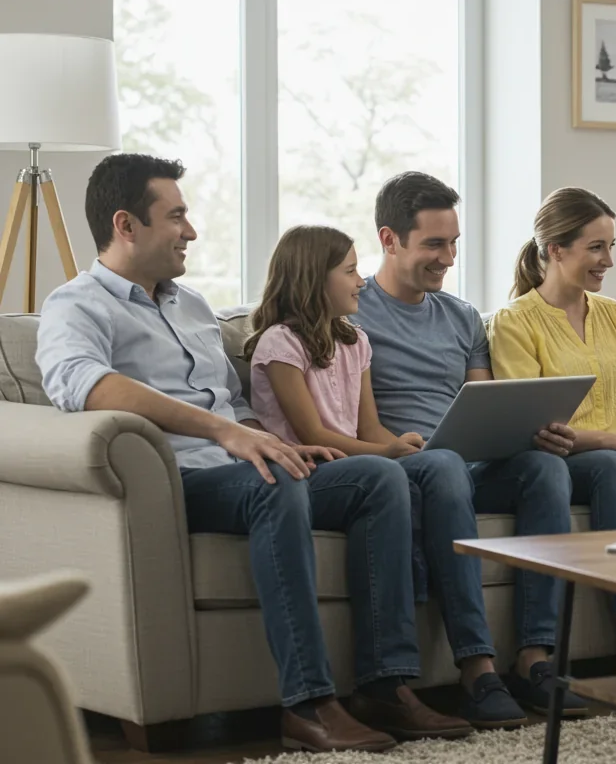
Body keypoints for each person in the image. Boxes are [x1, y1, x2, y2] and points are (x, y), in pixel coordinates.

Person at [35, 154, 467, 753]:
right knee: (274, 484)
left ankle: (385, 685)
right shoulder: (75, 305)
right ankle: (309, 702)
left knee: (377, 478)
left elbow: (238, 403)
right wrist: (223, 433)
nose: (191, 231)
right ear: (126, 225)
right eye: (177, 216)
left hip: (249, 462)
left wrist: (284, 441)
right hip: (177, 477)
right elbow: (84, 384)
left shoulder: (192, 306)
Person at [244, 223, 545, 728]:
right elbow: (314, 432)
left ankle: (469, 669)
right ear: (312, 280)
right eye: (348, 271)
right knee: (399, 474)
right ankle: (396, 683)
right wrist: (388, 451)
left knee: (436, 463)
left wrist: (398, 445)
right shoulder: (279, 344)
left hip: (359, 464)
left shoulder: (355, 340)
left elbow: (367, 425)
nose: (359, 281)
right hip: (312, 469)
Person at [348, 172, 587, 717]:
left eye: (454, 242)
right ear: (389, 239)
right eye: (434, 244)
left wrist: (529, 428)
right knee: (446, 464)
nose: (448, 256)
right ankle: (478, 670)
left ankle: (534, 658)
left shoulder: (460, 316)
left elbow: (483, 405)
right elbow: (351, 416)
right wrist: (400, 448)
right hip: (403, 463)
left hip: (464, 462)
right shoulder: (350, 308)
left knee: (545, 468)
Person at [488, 186, 616, 674]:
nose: (608, 261)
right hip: (561, 460)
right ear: (556, 250)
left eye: (611, 246)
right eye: (596, 248)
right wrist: (613, 441)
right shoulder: (514, 323)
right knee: (611, 466)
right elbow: (530, 425)